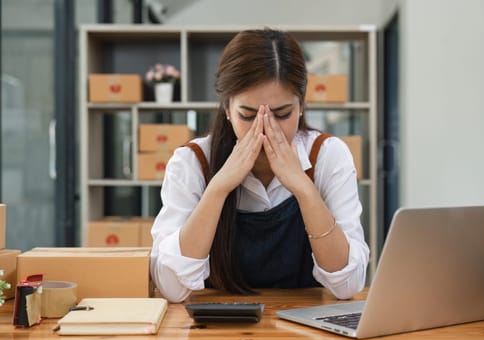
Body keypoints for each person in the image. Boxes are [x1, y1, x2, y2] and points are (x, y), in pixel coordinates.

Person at [150, 28, 369, 303]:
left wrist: (304, 189)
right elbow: (170, 287)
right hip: (213, 333)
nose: (265, 129)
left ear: (301, 105)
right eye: (248, 115)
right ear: (227, 109)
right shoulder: (193, 161)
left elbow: (347, 286)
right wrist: (218, 188)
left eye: (282, 114)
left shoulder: (327, 155)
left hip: (307, 331)